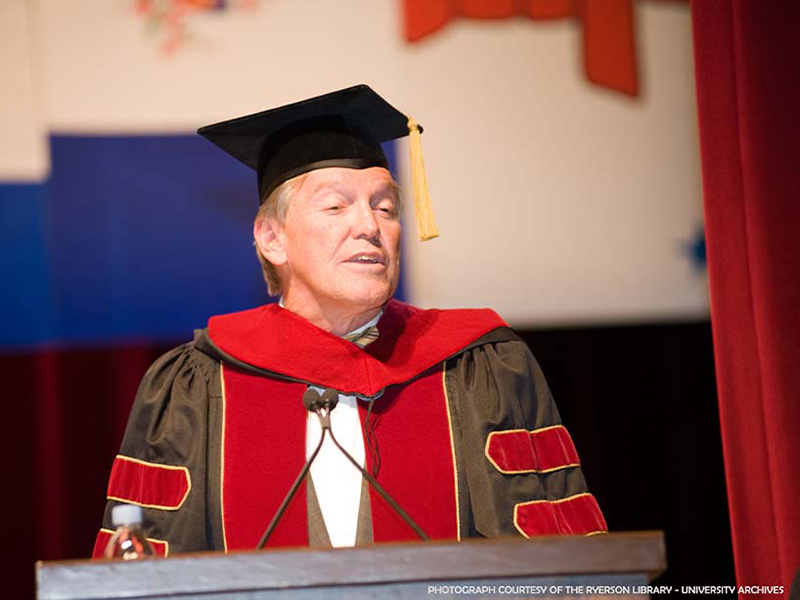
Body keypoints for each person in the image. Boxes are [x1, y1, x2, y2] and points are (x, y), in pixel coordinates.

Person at [92, 85, 606, 557]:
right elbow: (145, 572)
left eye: (385, 208)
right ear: (271, 238)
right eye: (336, 206)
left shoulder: (479, 367)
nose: (369, 226)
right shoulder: (198, 385)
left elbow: (558, 559)